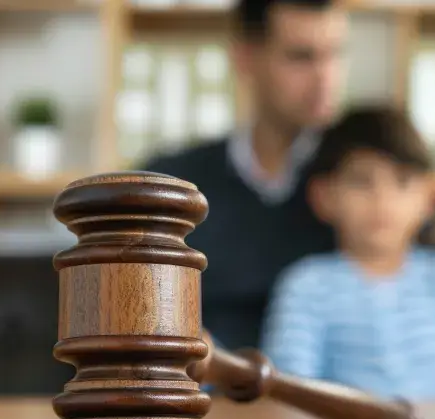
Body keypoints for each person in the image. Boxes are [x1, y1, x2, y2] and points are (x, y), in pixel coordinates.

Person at [260, 106, 435, 401]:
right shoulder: (306, 285)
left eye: (403, 181)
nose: (382, 199)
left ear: (429, 198)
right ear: (324, 196)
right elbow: (288, 393)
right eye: (361, 181)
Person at [141, 0, 347, 350]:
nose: (326, 77)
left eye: (337, 54)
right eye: (301, 57)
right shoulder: (171, 184)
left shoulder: (359, 183)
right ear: (246, 59)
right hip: (200, 391)